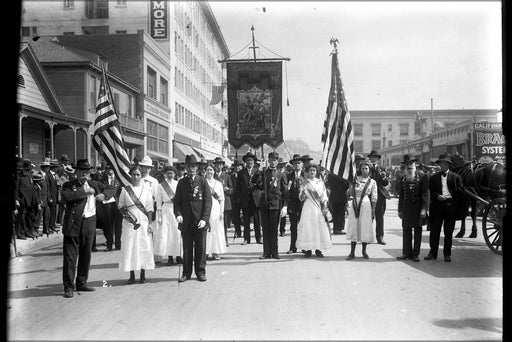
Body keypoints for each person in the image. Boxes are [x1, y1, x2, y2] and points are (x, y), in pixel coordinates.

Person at [61, 159, 113, 298]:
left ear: (90, 173)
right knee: (70, 256)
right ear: (76, 172)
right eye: (81, 172)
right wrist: (85, 192)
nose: (83, 175)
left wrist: (104, 195)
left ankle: (82, 283)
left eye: (86, 172)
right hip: (73, 223)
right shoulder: (69, 185)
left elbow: (112, 188)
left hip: (89, 222)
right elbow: (66, 197)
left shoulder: (94, 184)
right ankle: (68, 287)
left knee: (86, 254)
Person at [174, 154, 212, 282]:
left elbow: (208, 202)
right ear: (185, 167)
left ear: (197, 168)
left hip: (200, 221)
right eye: (189, 166)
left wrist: (204, 219)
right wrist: (178, 214)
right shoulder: (181, 182)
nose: (191, 169)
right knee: (187, 248)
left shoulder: (202, 181)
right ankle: (186, 273)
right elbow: (177, 202)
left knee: (201, 248)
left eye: (193, 167)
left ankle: (201, 272)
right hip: (186, 221)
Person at [117, 165, 155, 284]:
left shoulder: (147, 190)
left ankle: (143, 273)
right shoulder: (125, 190)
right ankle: (132, 274)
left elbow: (149, 208)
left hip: (143, 220)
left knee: (143, 245)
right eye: (134, 174)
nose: (136, 177)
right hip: (130, 221)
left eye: (138, 174)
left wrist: (149, 223)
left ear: (141, 176)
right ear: (131, 176)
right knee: (130, 246)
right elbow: (120, 205)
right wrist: (127, 216)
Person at [425, 153, 465, 262]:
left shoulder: (456, 177)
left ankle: (447, 254)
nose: (443, 165)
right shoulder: (433, 178)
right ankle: (432, 253)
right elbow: (431, 192)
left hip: (450, 207)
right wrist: (437, 195)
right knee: (435, 231)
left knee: (448, 232)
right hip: (437, 207)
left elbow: (460, 194)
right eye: (441, 163)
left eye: (445, 163)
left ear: (449, 165)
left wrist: (454, 204)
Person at [397, 155, 429, 262]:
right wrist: (400, 210)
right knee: (406, 230)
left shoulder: (422, 176)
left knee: (417, 231)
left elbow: (425, 194)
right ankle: (406, 253)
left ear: (415, 164)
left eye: (411, 163)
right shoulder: (403, 178)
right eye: (408, 164)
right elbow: (401, 195)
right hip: (406, 208)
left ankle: (415, 254)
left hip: (418, 209)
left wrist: (424, 209)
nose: (410, 166)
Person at [295, 164, 332, 257]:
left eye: (314, 170)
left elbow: (324, 196)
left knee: (318, 226)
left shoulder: (320, 182)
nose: (312, 172)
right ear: (308, 172)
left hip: (318, 207)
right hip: (308, 207)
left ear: (316, 172)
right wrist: (303, 193)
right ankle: (308, 249)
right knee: (308, 227)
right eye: (311, 170)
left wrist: (325, 206)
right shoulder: (304, 182)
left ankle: (318, 249)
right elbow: (301, 198)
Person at [258, 152, 289, 259]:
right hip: (264, 205)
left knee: (274, 229)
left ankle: (275, 252)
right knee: (265, 229)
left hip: (275, 205)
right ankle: (266, 252)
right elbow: (255, 183)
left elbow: (285, 193)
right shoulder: (263, 173)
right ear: (268, 160)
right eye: (271, 159)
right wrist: (259, 170)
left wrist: (285, 206)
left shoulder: (281, 175)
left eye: (275, 160)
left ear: (277, 161)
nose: (273, 161)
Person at [346, 159, 378, 260]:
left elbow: (374, 197)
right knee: (354, 226)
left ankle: (364, 251)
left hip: (366, 204)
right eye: (363, 168)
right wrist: (351, 185)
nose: (364, 170)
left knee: (364, 226)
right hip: (355, 203)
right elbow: (350, 194)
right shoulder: (356, 180)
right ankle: (352, 252)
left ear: (369, 170)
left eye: (366, 169)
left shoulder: (372, 182)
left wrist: (373, 211)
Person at [155, 165, 182, 266]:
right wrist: (159, 216)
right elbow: (158, 202)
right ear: (165, 174)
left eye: (172, 173)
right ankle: (170, 257)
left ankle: (179, 256)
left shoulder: (178, 184)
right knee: (168, 234)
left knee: (177, 233)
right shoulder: (161, 186)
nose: (170, 175)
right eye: (168, 173)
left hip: (176, 210)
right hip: (165, 209)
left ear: (175, 174)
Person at [236, 152, 262, 245]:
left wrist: (256, 185)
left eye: (251, 160)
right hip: (245, 199)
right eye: (247, 160)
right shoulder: (241, 173)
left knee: (257, 220)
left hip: (256, 200)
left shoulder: (258, 172)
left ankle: (258, 238)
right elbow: (238, 187)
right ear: (245, 162)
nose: (249, 162)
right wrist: (239, 198)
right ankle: (246, 239)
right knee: (246, 220)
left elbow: (261, 185)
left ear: (254, 162)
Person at [367, 150, 390, 245]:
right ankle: (367, 237)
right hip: (368, 195)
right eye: (372, 157)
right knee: (368, 217)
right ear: (370, 158)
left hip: (380, 196)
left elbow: (385, 183)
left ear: (377, 159)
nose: (373, 159)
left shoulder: (381, 169)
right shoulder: (366, 168)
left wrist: (384, 177)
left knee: (380, 218)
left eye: (375, 157)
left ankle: (380, 237)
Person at [138, 156, 159, 259]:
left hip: (150, 208)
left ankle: (152, 255)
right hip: (138, 209)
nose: (145, 169)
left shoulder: (154, 181)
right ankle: (141, 255)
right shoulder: (137, 178)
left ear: (151, 169)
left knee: (152, 231)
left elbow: (157, 196)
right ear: (141, 167)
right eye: (144, 167)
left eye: (148, 167)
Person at [205, 163, 226, 260]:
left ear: (214, 172)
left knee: (216, 229)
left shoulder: (218, 184)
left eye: (211, 170)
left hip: (216, 208)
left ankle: (215, 251)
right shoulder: (202, 182)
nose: (209, 172)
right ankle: (205, 252)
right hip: (205, 208)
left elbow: (221, 199)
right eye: (208, 170)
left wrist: (221, 211)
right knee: (205, 230)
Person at [286, 154, 305, 254]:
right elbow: (286, 191)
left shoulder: (306, 175)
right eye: (295, 163)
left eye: (299, 163)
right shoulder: (289, 176)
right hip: (292, 203)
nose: (297, 165)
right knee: (293, 226)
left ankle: (304, 247)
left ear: (302, 165)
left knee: (303, 225)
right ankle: (293, 247)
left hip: (304, 204)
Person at [213, 157, 233, 247]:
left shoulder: (227, 176)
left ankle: (225, 240)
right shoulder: (212, 176)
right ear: (214, 165)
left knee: (224, 223)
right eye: (217, 164)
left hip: (224, 202)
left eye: (220, 164)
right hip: (214, 202)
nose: (219, 166)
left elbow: (233, 189)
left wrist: (228, 189)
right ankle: (215, 241)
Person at [230, 159, 244, 238]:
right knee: (236, 216)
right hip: (235, 199)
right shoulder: (231, 176)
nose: (237, 168)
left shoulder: (244, 175)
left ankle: (246, 231)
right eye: (236, 166)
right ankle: (237, 231)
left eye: (239, 166)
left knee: (246, 215)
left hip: (243, 198)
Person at [277, 158, 289, 236]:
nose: (281, 166)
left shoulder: (288, 174)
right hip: (276, 196)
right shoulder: (275, 173)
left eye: (283, 164)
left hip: (284, 195)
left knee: (283, 214)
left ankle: (282, 230)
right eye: (280, 164)